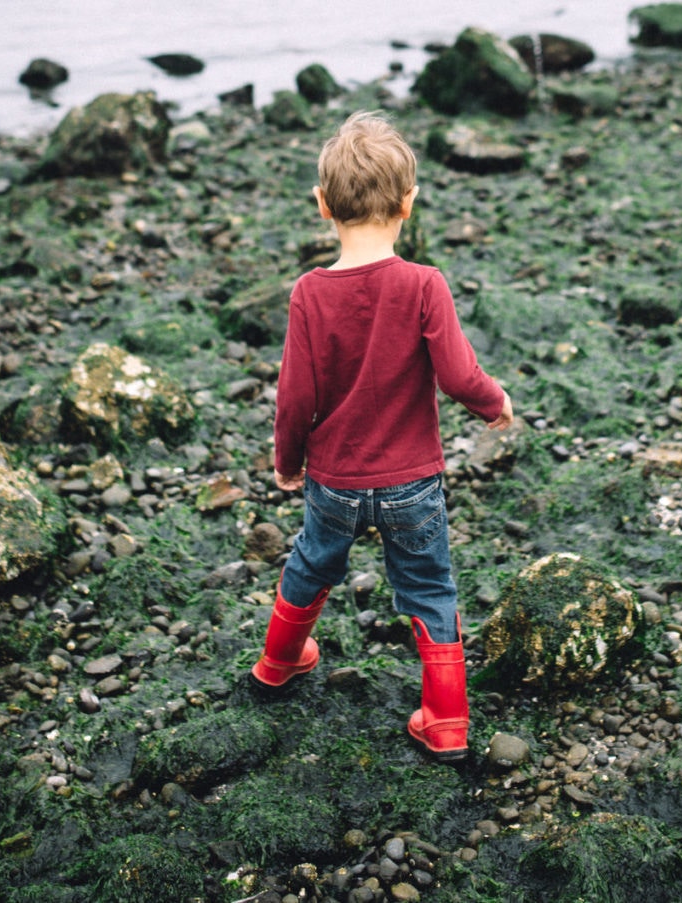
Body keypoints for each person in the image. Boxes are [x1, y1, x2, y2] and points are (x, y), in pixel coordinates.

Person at [249, 111, 514, 762]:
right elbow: (457, 373)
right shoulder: (425, 284)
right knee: (428, 584)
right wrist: (494, 402)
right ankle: (447, 720)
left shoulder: (309, 293)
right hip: (411, 481)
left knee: (311, 564)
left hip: (335, 480)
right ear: (408, 204)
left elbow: (296, 397)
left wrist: (288, 462)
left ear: (322, 206)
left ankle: (279, 662)